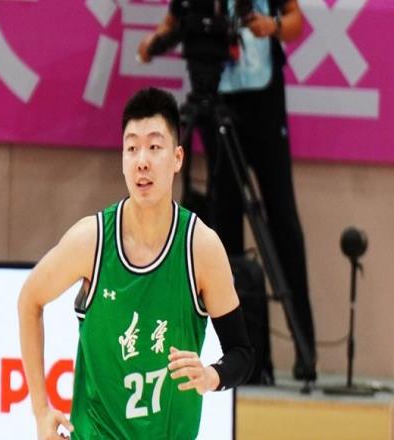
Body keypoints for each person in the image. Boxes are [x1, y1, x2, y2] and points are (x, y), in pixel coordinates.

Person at [18, 87, 254, 439]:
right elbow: (29, 300)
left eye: (154, 147)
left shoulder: (200, 248)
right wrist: (41, 411)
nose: (142, 160)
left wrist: (211, 376)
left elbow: (242, 354)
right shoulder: (92, 241)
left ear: (177, 158)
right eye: (132, 148)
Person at [138, 0, 317, 381]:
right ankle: (240, 356)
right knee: (224, 226)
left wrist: (272, 25)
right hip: (217, 97)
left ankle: (307, 350)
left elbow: (295, 21)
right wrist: (153, 43)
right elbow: (173, 22)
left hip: (263, 102)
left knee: (282, 220)